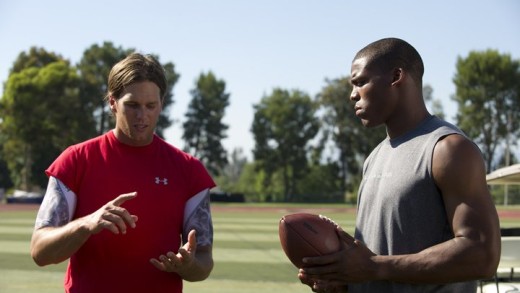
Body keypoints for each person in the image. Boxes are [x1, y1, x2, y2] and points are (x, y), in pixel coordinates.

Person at [298, 38, 501, 292]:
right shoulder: (374, 158)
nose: (352, 95)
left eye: (360, 82)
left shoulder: (447, 149)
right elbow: (376, 265)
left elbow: (482, 254)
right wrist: (343, 280)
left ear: (396, 76)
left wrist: (374, 267)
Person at [30, 52, 216, 293]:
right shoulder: (75, 161)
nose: (142, 116)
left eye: (151, 106)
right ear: (112, 102)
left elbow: (204, 261)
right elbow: (39, 252)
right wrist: (87, 223)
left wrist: (187, 265)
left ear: (162, 104)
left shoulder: (189, 170)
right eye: (132, 105)